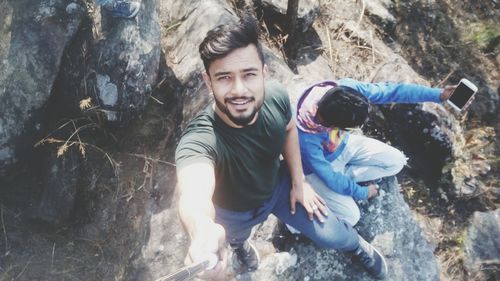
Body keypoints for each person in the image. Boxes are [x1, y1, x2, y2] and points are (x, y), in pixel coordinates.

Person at [175, 16, 388, 280]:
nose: (239, 90)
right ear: (208, 82)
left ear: (264, 73)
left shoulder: (275, 97)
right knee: (234, 239)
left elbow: (288, 129)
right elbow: (193, 192)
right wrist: (201, 230)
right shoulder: (199, 140)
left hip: (279, 189)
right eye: (224, 78)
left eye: (249, 74)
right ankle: (240, 246)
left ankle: (356, 245)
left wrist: (299, 181)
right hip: (233, 213)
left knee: (333, 234)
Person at [296, 79, 459, 226]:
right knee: (351, 217)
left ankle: (346, 178)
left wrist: (439, 95)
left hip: (343, 146)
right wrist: (362, 192)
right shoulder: (305, 137)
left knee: (397, 161)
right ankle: (296, 224)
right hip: (317, 171)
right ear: (333, 126)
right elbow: (329, 177)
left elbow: (393, 91)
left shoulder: (346, 92)